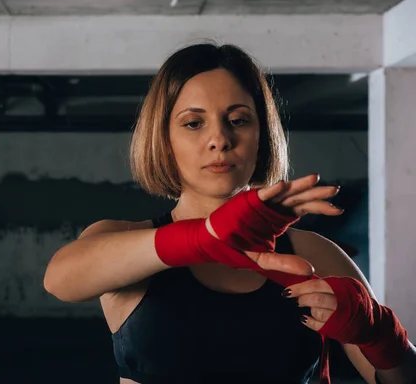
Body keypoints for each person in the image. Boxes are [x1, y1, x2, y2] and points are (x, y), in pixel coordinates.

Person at [44, 43, 416, 384]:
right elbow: (60, 280)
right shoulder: (121, 240)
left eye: (238, 120)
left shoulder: (312, 255)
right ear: (165, 139)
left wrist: (382, 337)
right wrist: (202, 239)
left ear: (262, 135)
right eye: (193, 123)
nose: (220, 139)